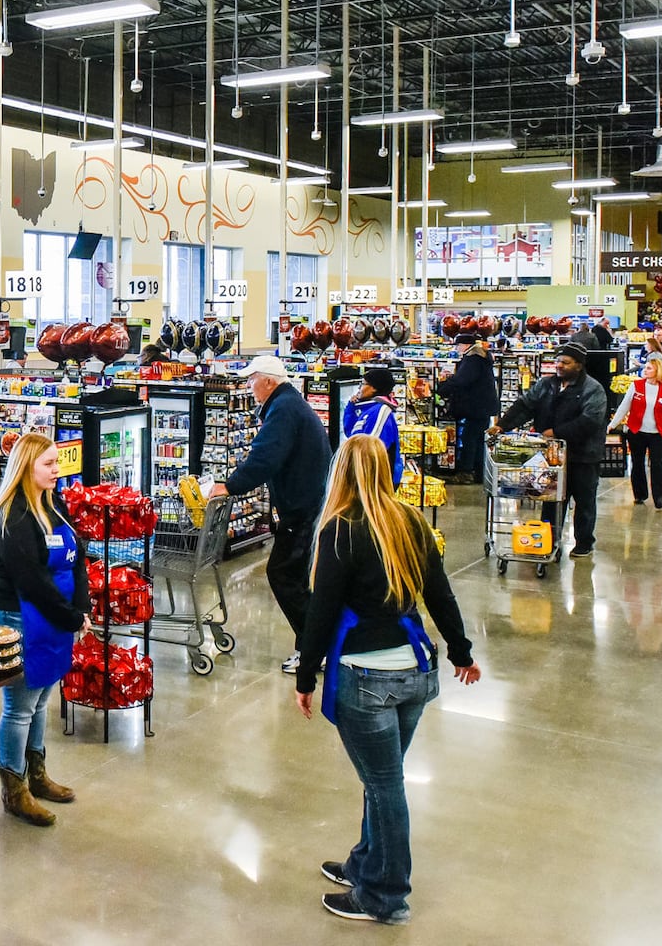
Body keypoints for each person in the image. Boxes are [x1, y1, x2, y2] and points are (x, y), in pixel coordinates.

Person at [293, 435, 480, 926]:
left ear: (340, 472)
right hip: (417, 671)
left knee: (384, 784)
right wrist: (461, 651)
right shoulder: (411, 522)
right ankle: (365, 863)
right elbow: (440, 593)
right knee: (380, 777)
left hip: (365, 677)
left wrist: (306, 675)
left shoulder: (340, 530)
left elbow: (322, 610)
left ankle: (385, 894)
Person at [0, 431, 90, 827]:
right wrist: (70, 616)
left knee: (43, 699)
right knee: (20, 706)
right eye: (49, 464)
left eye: (57, 462)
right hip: (20, 616)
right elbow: (32, 582)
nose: (57, 470)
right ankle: (14, 788)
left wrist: (81, 606)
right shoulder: (13, 517)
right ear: (27, 467)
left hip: (54, 616)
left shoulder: (52, 504)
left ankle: (37, 775)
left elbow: (78, 557)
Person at [208, 355, 331, 673]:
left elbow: (266, 456)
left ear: (268, 381)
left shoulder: (284, 409)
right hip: (308, 502)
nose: (249, 387)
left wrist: (230, 485)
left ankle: (313, 650)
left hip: (301, 508)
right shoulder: (289, 403)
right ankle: (316, 644)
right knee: (297, 577)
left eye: (252, 380)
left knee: (284, 575)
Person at [492, 343, 607, 558]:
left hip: (584, 456)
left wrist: (556, 432)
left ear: (579, 366)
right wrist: (503, 425)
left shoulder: (593, 389)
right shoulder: (546, 384)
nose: (559, 366)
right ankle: (549, 539)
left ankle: (584, 542)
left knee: (584, 500)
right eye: (558, 361)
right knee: (550, 498)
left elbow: (590, 421)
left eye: (565, 362)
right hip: (551, 457)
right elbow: (525, 406)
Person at [609, 358, 662, 509]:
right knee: (637, 464)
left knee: (657, 464)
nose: (645, 370)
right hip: (636, 432)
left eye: (649, 368)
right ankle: (640, 494)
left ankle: (661, 496)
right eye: (646, 368)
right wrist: (612, 425)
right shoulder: (635, 386)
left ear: (658, 371)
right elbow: (624, 406)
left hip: (657, 433)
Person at [437, 336, 498, 484]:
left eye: (458, 345)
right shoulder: (482, 357)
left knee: (469, 439)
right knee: (477, 440)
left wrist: (443, 388)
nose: (457, 349)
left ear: (464, 345)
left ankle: (466, 473)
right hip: (484, 406)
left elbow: (462, 380)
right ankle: (479, 473)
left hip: (476, 406)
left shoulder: (473, 359)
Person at [341, 368, 404, 484]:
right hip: (366, 476)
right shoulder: (367, 409)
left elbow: (369, 447)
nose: (359, 388)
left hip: (377, 479)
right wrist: (351, 408)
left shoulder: (381, 411)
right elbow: (350, 433)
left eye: (363, 384)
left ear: (374, 388)